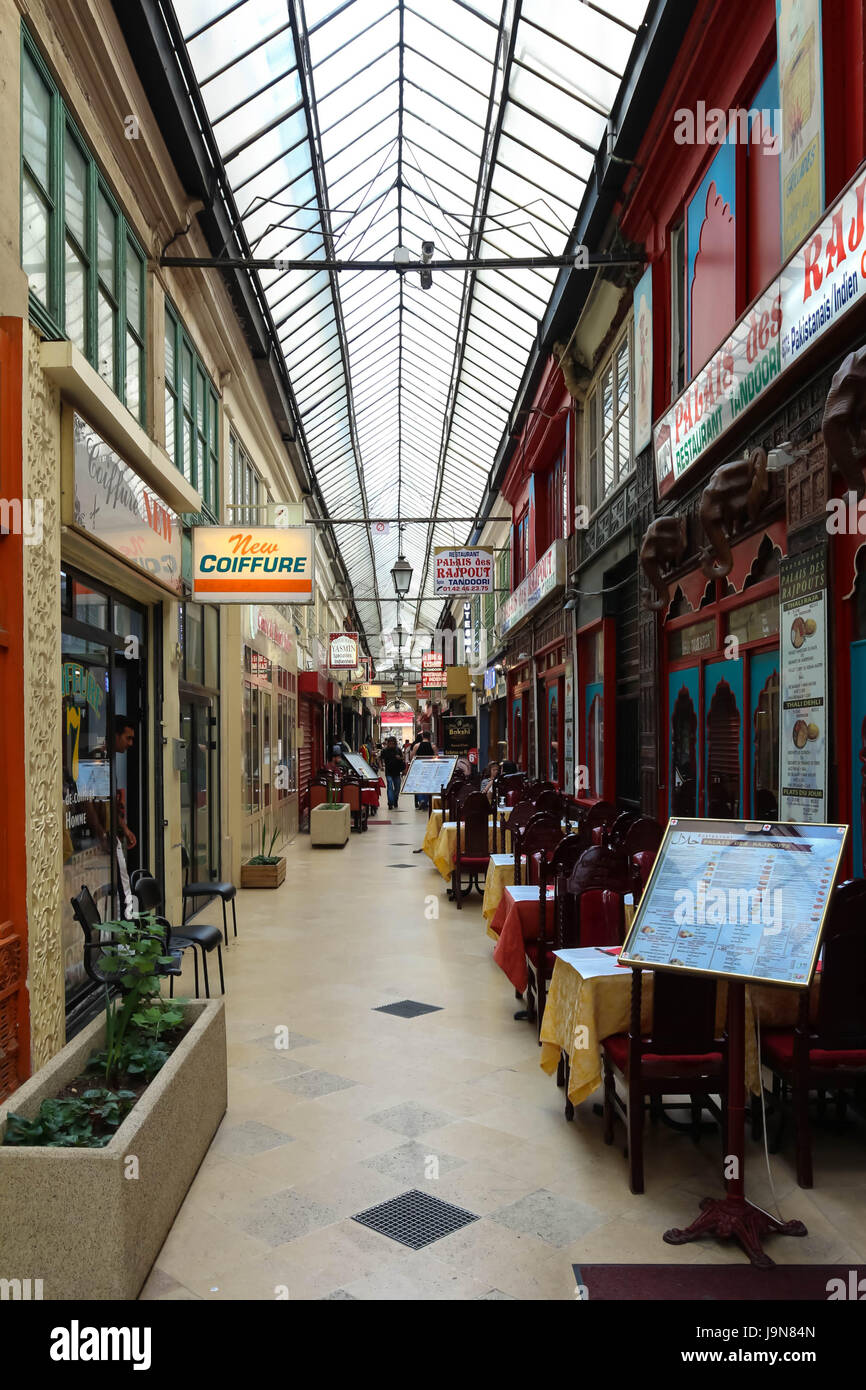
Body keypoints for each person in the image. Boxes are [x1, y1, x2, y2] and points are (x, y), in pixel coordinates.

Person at [382, 737, 406, 810]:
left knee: (397, 788)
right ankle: (390, 802)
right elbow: (380, 758)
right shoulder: (385, 750)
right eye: (390, 743)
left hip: (397, 772)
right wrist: (381, 766)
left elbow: (403, 758)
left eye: (393, 743)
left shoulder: (398, 750)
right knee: (389, 786)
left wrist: (400, 758)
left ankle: (395, 800)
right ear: (388, 743)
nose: (392, 744)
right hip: (388, 772)